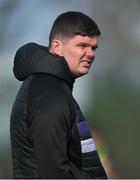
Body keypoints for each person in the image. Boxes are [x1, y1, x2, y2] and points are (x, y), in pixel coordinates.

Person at [10, 11, 107, 179]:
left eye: (93, 47)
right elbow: (53, 171)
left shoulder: (55, 88)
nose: (90, 53)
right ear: (57, 47)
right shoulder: (48, 94)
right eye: (82, 45)